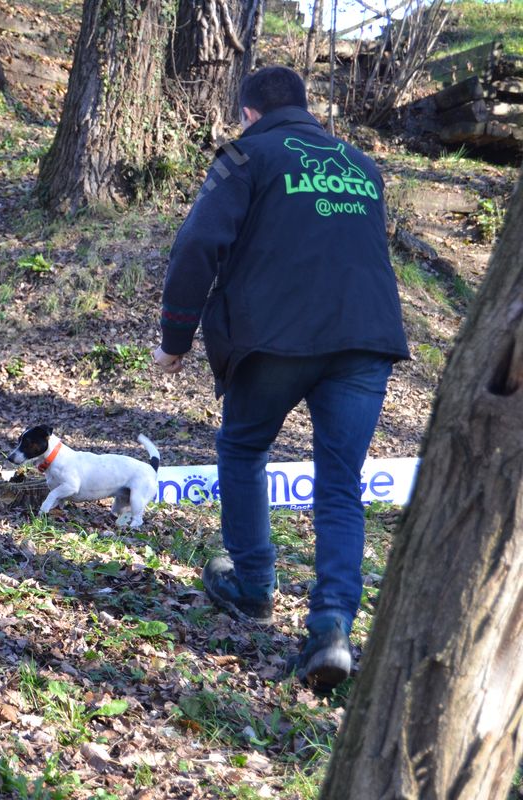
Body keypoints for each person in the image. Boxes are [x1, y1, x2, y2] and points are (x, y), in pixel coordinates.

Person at [152, 66, 409, 691]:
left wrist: (175, 339)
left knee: (243, 447)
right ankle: (331, 628)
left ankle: (253, 583)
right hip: (366, 340)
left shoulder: (247, 155)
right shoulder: (361, 166)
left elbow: (196, 246)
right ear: (307, 108)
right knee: (340, 483)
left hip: (276, 340)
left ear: (248, 113)